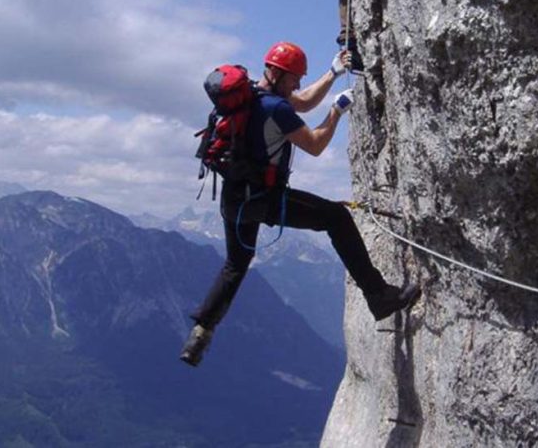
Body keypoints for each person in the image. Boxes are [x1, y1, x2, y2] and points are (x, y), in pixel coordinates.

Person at [180, 41, 421, 366]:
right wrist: (336, 111)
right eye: (294, 78)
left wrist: (333, 73)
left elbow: (302, 102)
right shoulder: (276, 109)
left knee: (235, 265)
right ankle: (378, 295)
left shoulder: (254, 96)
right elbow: (316, 144)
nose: (297, 84)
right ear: (278, 74)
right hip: (264, 199)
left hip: (234, 198)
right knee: (336, 218)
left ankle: (201, 331)